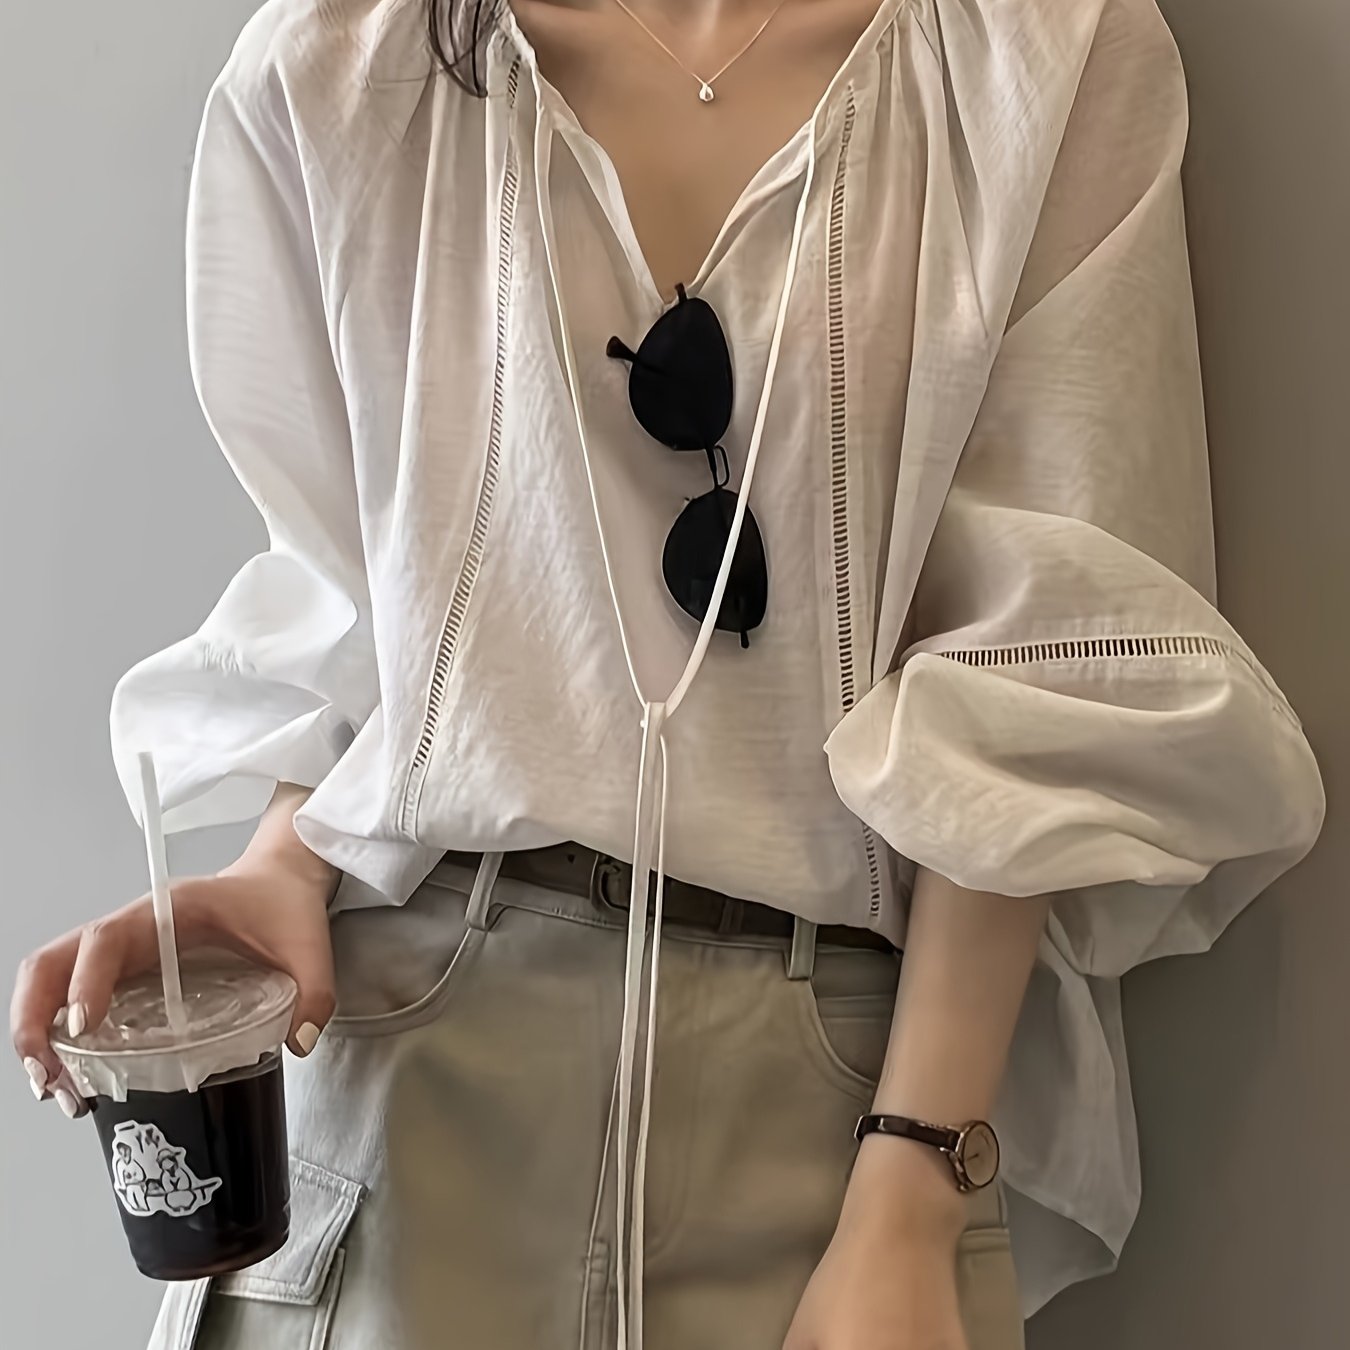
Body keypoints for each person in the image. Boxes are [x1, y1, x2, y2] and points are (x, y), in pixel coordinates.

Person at [10, 1, 1326, 1348]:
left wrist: (914, 1184)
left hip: (843, 1103)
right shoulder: (347, 61)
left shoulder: (1034, 52)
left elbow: (1034, 670)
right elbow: (361, 593)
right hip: (408, 1068)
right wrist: (280, 870)